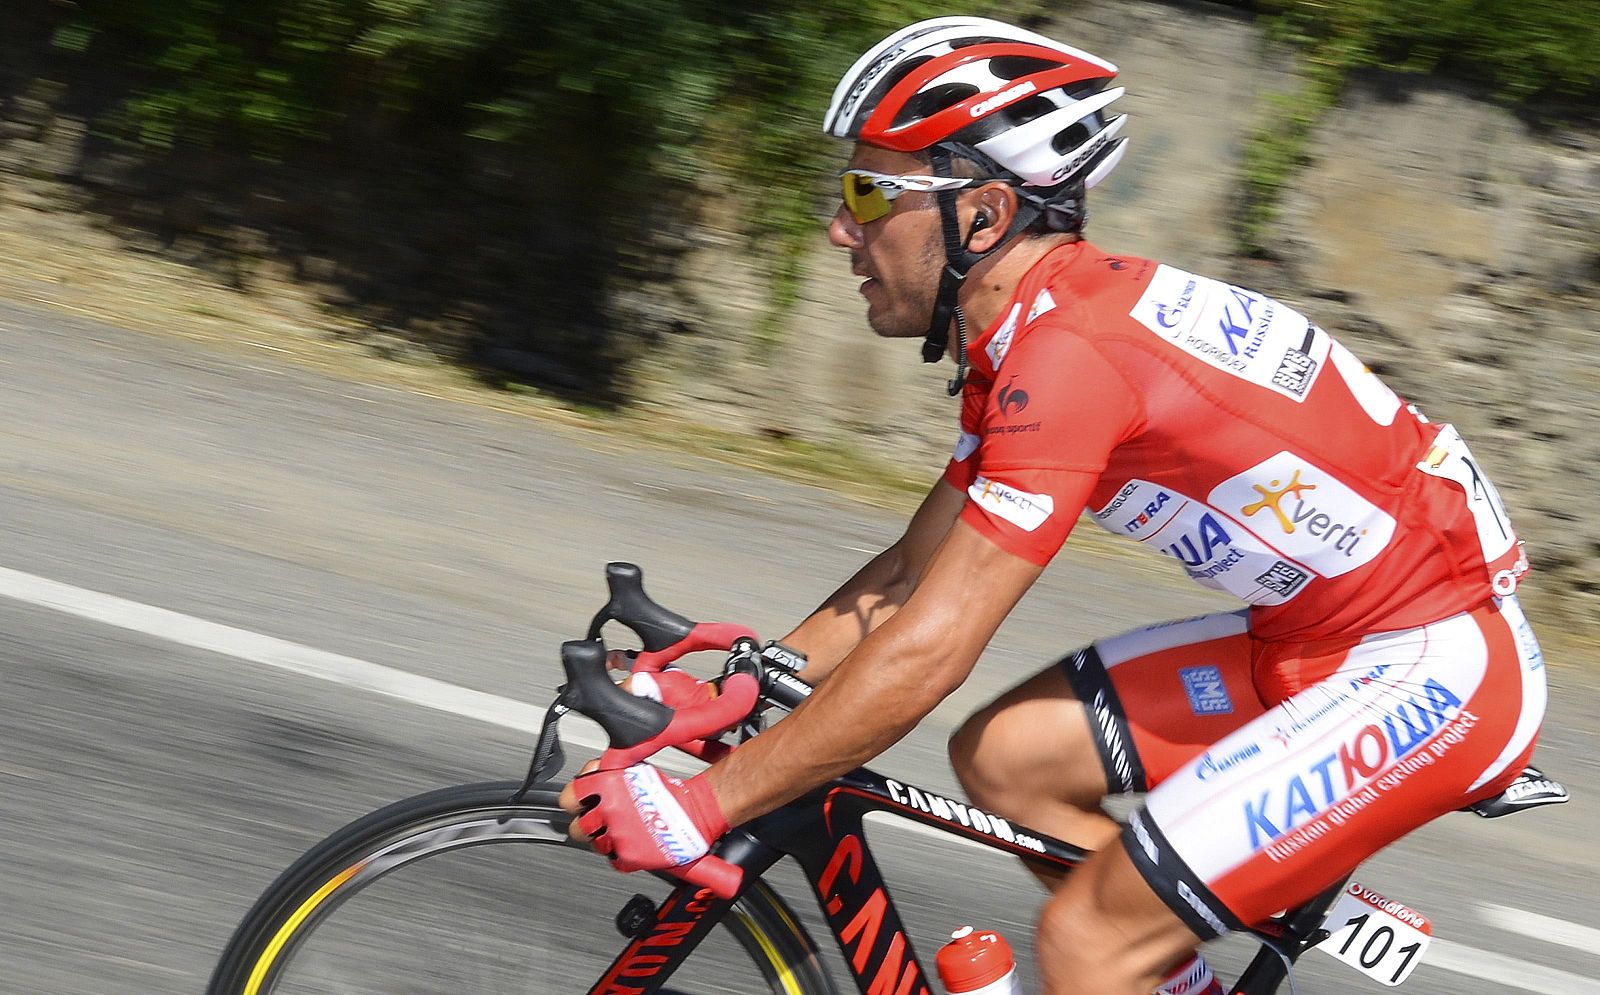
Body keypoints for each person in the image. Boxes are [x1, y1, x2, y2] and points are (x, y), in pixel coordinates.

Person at [560, 16, 1548, 995]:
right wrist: (747, 686)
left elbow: (932, 648)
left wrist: (708, 799)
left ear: (983, 215)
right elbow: (909, 577)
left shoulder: (1067, 358)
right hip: (1309, 640)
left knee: (1084, 941)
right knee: (1007, 758)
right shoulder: (1026, 334)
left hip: (1433, 667)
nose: (838, 225)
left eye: (869, 190)